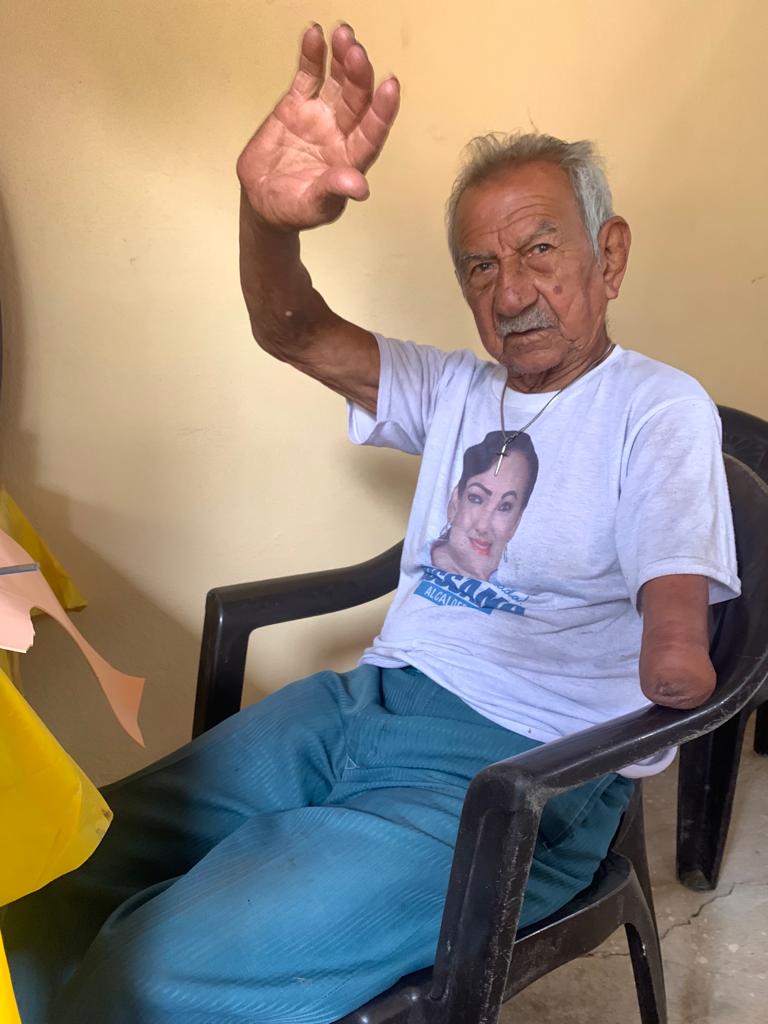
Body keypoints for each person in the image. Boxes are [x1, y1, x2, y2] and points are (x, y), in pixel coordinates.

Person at [3, 22, 740, 1024]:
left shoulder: (658, 408)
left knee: (158, 971)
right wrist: (267, 222)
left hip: (516, 778)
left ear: (608, 255)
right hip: (361, 706)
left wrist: (679, 660)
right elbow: (291, 327)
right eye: (479, 267)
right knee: (52, 869)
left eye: (538, 248)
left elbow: (676, 618)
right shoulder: (456, 388)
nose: (511, 291)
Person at [429, 429, 538, 581]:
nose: (483, 526)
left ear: (516, 522)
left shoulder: (520, 583)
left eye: (505, 507)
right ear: (455, 502)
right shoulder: (419, 560)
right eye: (476, 498)